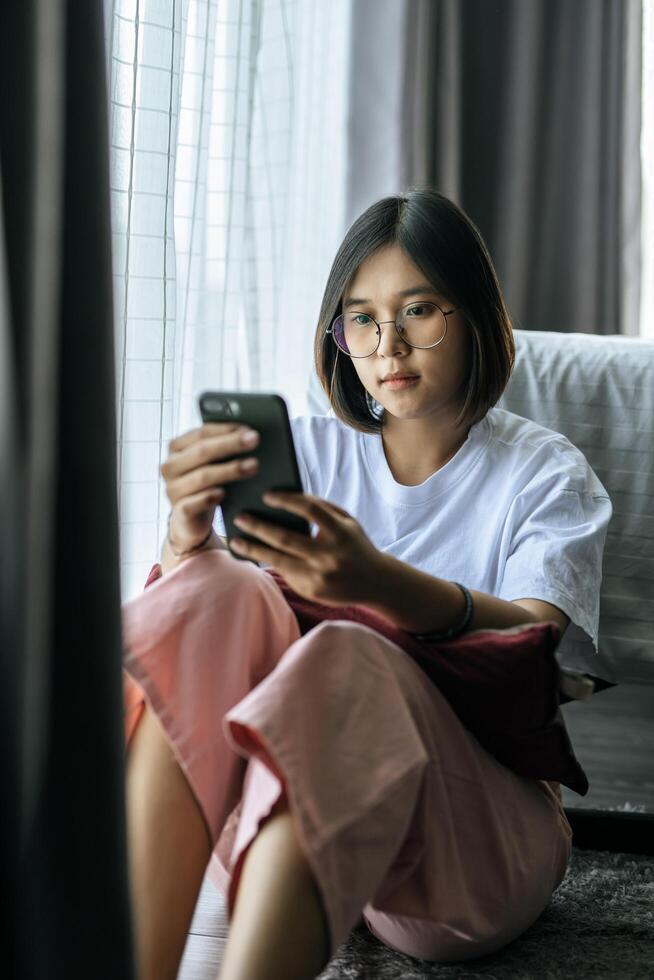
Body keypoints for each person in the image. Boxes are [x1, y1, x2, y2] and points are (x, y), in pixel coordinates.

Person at [121, 188, 612, 980]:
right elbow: (202, 652)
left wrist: (376, 583)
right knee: (219, 586)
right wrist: (187, 538)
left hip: (472, 842)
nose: (389, 346)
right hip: (280, 818)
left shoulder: (544, 472)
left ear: (476, 314)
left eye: (419, 311)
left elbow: (535, 645)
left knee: (346, 654)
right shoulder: (306, 453)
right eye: (362, 318)